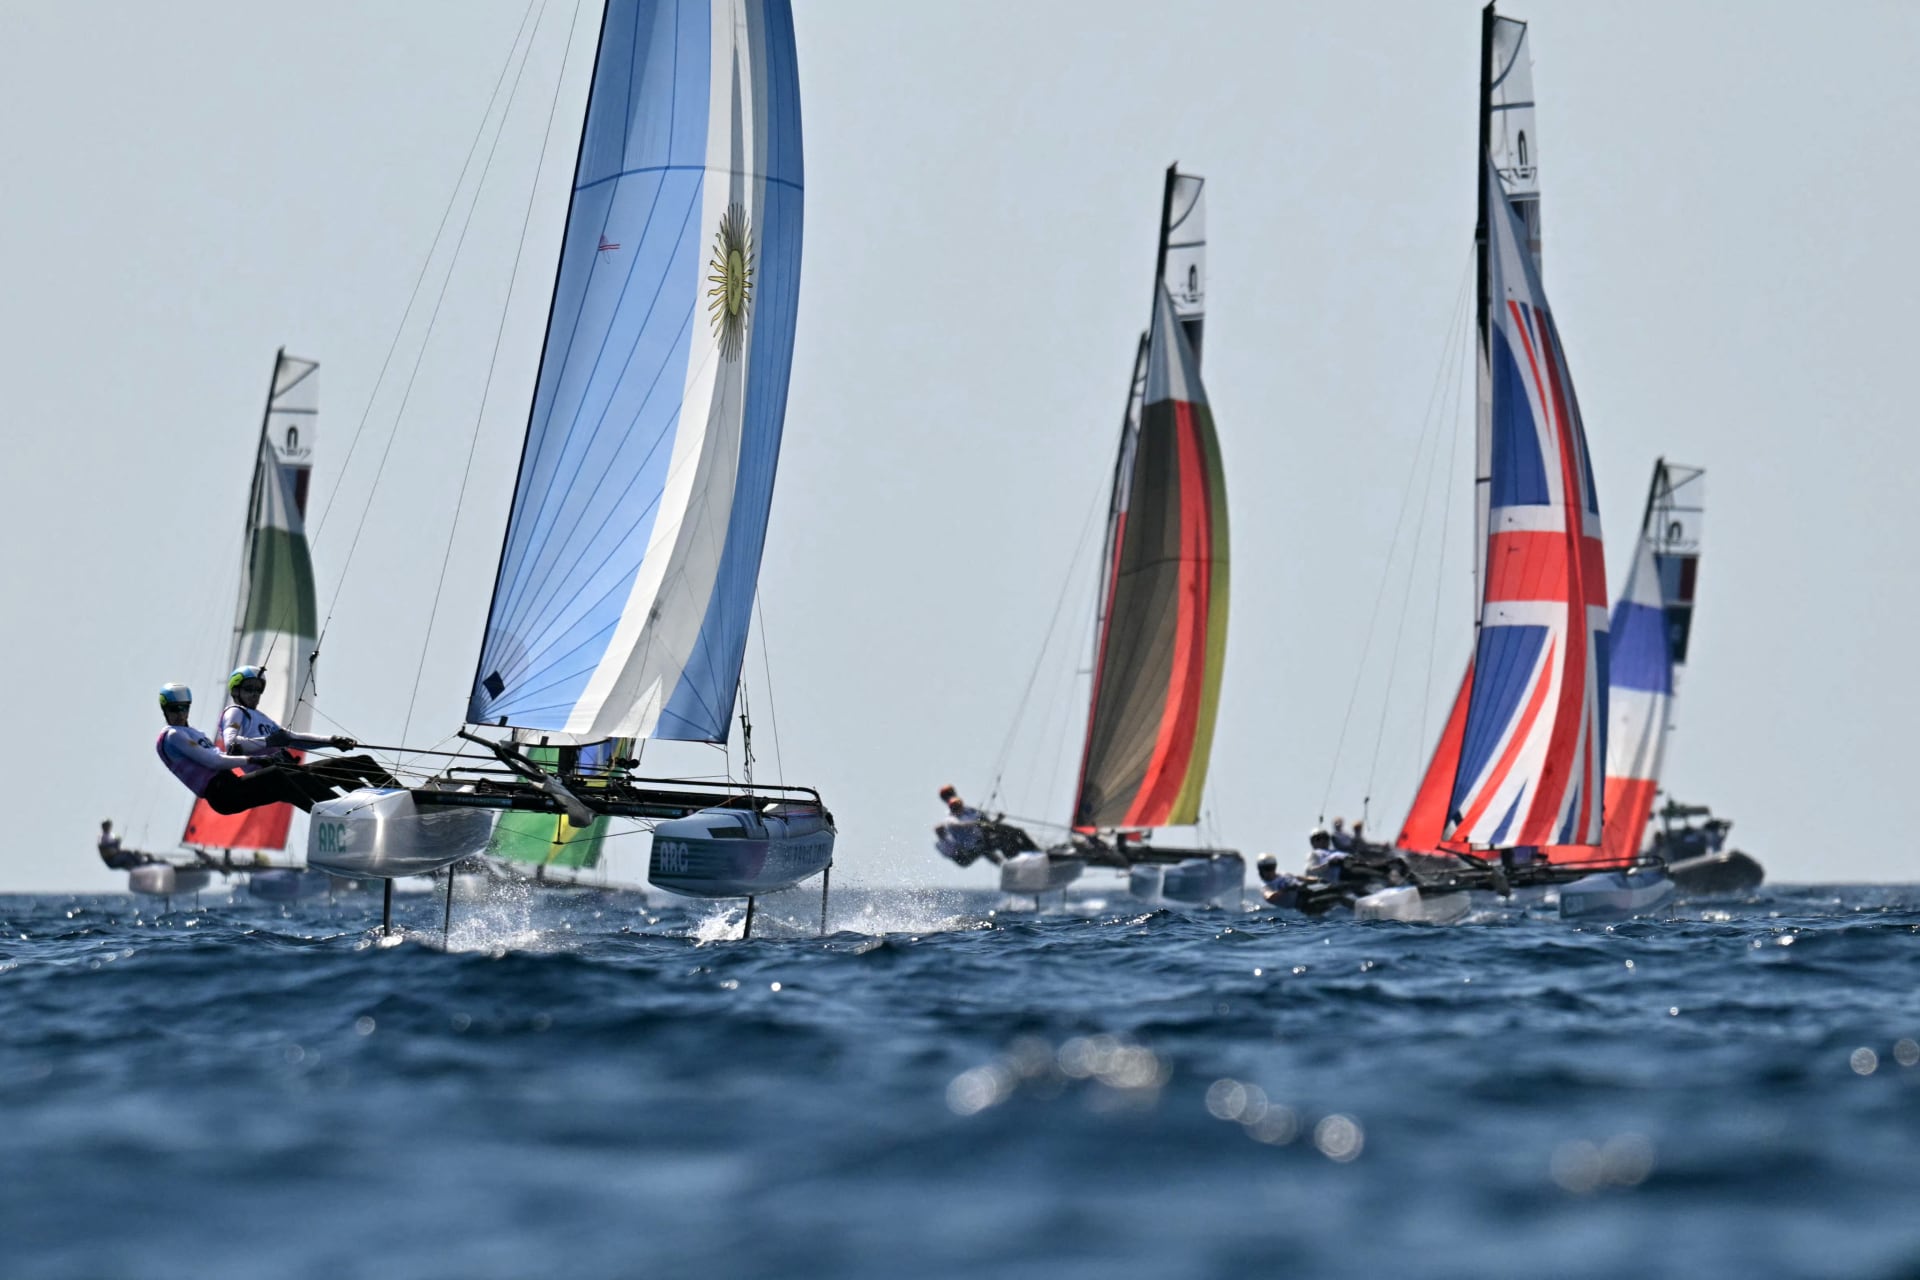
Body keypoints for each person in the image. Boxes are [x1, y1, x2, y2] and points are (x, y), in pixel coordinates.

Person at [154, 683, 337, 814]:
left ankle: (338, 809)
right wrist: (253, 759)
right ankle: (329, 815)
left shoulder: (192, 732)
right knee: (277, 775)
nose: (179, 713)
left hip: (232, 787)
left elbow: (219, 757)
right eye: (173, 709)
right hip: (222, 794)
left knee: (289, 780)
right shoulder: (173, 735)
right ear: (164, 710)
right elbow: (214, 761)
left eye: (183, 708)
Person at [219, 665, 394, 790]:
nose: (255, 694)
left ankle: (399, 794)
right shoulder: (235, 712)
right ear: (235, 691)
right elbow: (232, 745)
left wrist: (332, 741)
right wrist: (267, 741)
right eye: (249, 689)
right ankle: (374, 802)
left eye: (259, 690)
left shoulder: (263, 718)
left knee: (363, 761)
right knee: (342, 771)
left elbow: (295, 739)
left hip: (289, 772)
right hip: (271, 777)